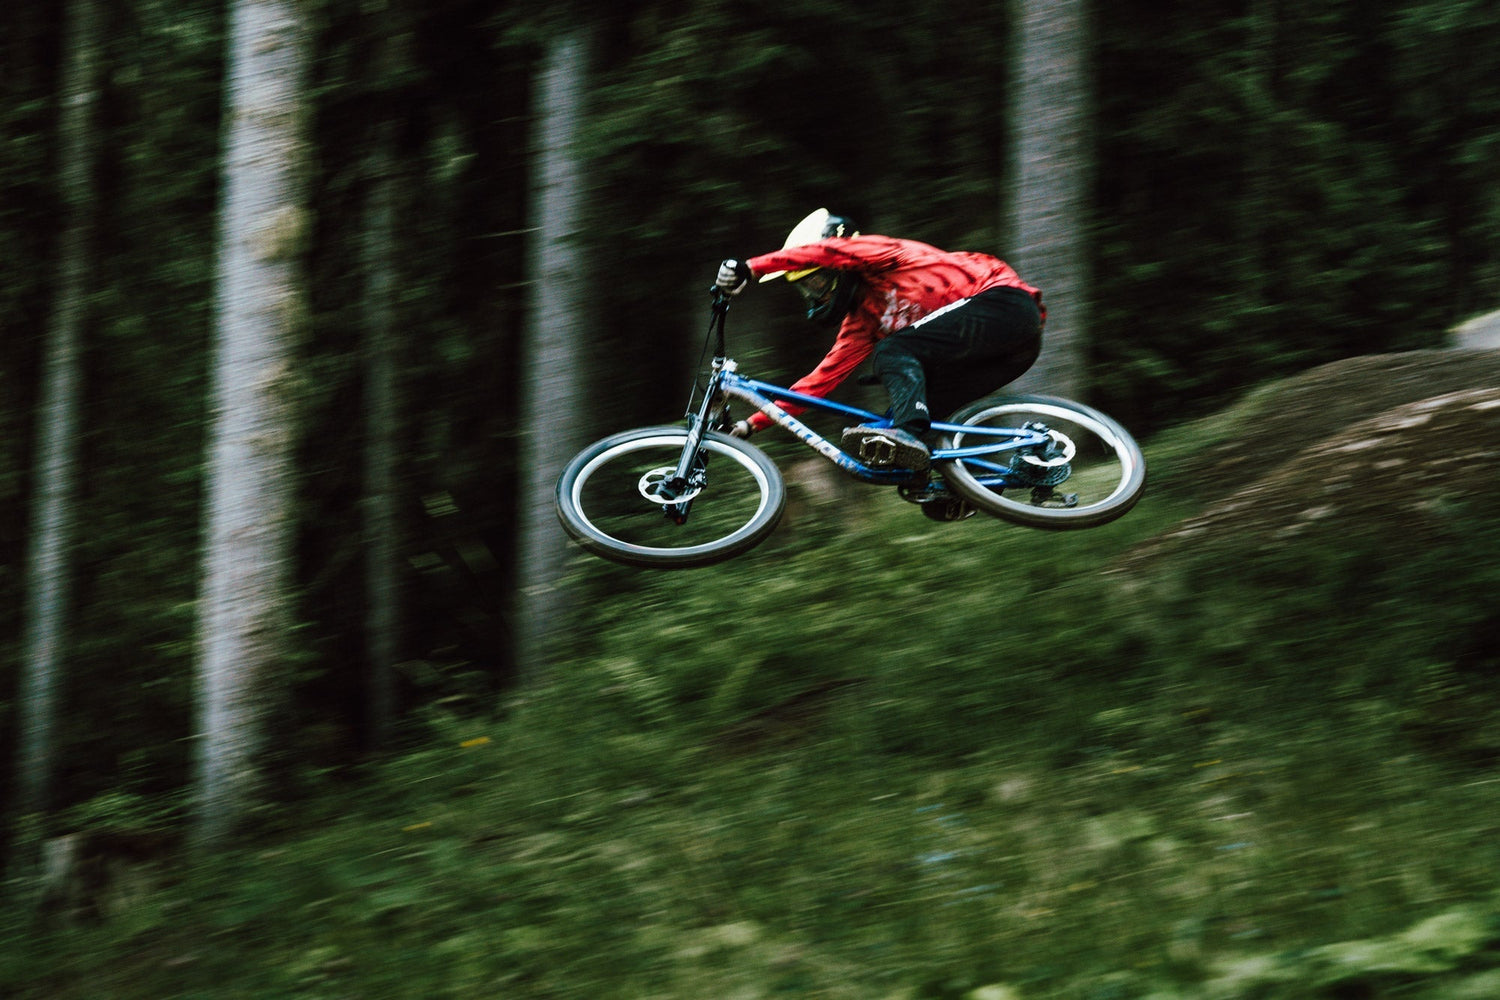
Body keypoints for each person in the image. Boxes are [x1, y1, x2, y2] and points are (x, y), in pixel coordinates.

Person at [714, 209, 1044, 473]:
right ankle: (979, 485)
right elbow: (817, 384)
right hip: (1008, 353)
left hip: (1006, 307)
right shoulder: (863, 320)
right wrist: (751, 424)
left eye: (817, 280)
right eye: (807, 288)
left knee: (895, 351)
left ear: (838, 266)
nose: (815, 292)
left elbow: (832, 251)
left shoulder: (883, 254)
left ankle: (912, 435)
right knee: (902, 427)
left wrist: (752, 268)